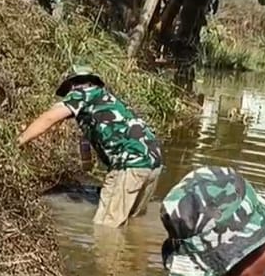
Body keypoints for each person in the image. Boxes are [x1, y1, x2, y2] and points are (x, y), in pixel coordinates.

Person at [17, 65, 164, 228]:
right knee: (132, 221)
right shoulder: (105, 102)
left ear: (72, 85)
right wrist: (86, 170)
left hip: (130, 162)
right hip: (153, 161)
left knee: (105, 227)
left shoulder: (80, 94)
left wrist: (18, 142)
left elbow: (49, 118)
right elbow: (86, 144)